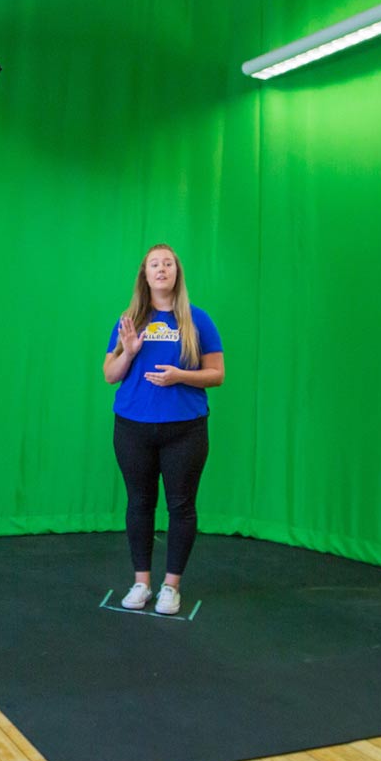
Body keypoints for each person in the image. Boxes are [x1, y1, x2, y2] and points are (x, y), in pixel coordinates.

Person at [101, 244, 225, 615]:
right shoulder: (129, 320)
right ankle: (142, 583)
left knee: (181, 505)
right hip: (133, 428)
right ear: (145, 274)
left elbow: (216, 374)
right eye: (154, 264)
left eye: (168, 263)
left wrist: (180, 377)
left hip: (184, 430)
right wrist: (130, 350)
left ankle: (171, 587)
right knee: (139, 503)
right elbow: (110, 375)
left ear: (176, 273)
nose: (161, 269)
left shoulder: (198, 320)